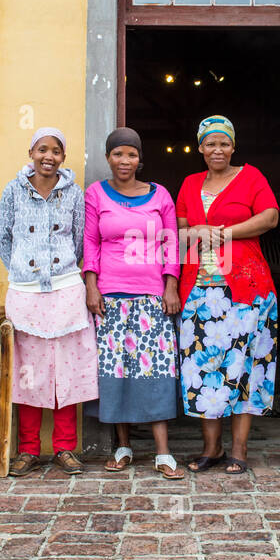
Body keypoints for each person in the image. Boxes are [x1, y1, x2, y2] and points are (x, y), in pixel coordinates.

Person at [175, 115, 280, 476]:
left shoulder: (251, 177)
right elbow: (180, 230)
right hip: (200, 292)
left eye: (223, 143)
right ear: (200, 148)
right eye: (210, 143)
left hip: (246, 290)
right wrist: (197, 230)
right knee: (202, 369)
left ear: (233, 147)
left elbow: (269, 217)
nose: (217, 149)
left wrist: (225, 232)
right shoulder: (190, 184)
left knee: (246, 366)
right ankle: (212, 449)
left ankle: (239, 449)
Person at [0, 126, 98, 478]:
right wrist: (25, 272)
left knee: (65, 369)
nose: (48, 156)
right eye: (42, 149)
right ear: (31, 153)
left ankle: (65, 447)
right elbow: (3, 239)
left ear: (63, 157)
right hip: (25, 293)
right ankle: (27, 449)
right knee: (29, 372)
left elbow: (82, 241)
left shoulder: (73, 193)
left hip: (67, 290)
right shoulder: (13, 190)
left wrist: (60, 274)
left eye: (55, 150)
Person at [83, 127, 185, 480]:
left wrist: (171, 286)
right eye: (117, 154)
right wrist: (91, 287)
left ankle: (162, 451)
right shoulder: (96, 193)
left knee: (155, 370)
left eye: (131, 154)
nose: (124, 161)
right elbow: (91, 243)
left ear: (140, 159)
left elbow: (172, 244)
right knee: (116, 372)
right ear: (108, 157)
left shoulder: (160, 196)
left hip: (152, 297)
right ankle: (123, 447)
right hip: (110, 298)